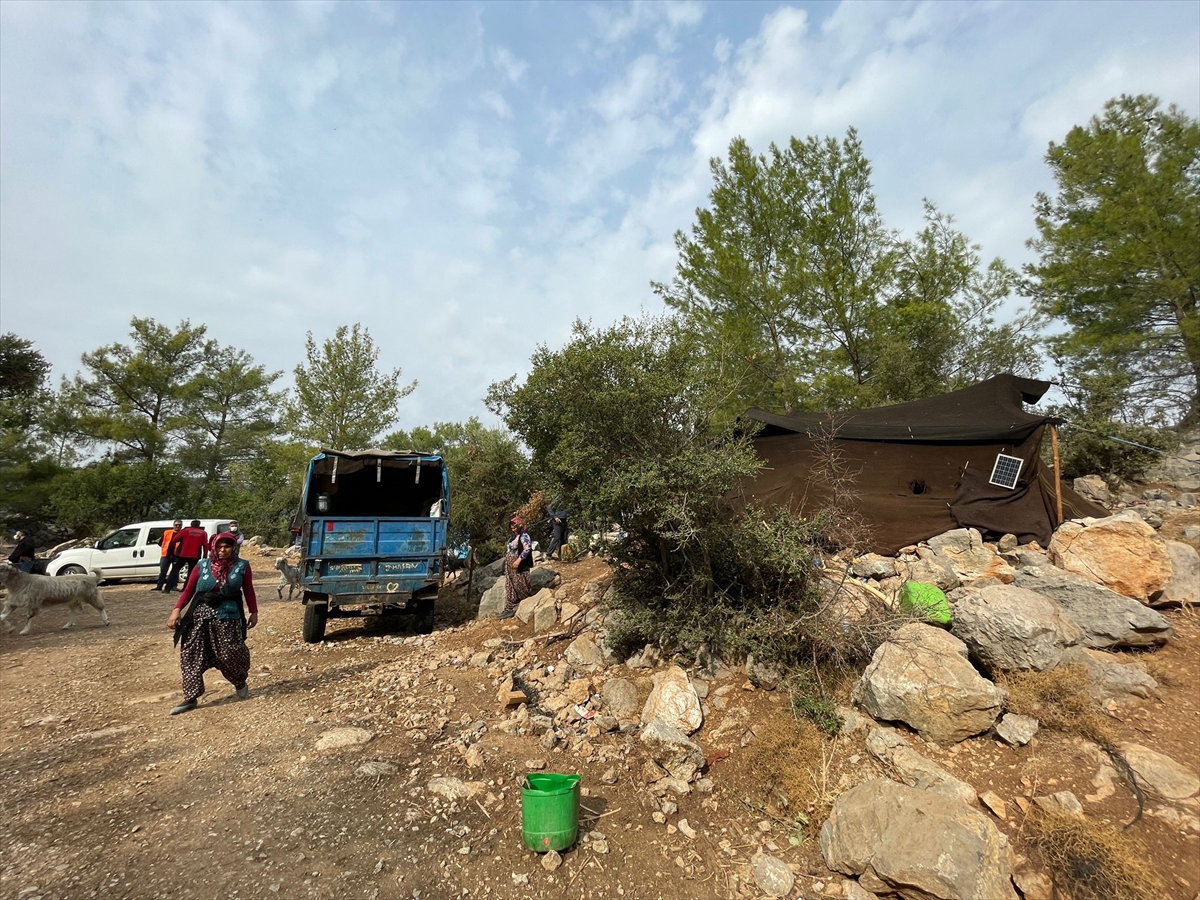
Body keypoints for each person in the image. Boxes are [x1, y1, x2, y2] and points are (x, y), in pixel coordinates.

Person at [165, 533, 258, 715]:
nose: (222, 550)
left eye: (227, 547)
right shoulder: (202, 566)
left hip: (228, 615)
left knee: (229, 653)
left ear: (233, 548)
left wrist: (254, 612)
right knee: (190, 654)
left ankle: (239, 680)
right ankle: (191, 697)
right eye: (219, 547)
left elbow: (248, 589)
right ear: (213, 548)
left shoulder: (242, 566)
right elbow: (189, 590)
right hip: (200, 616)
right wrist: (176, 610)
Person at [498, 516, 533, 621]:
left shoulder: (524, 535)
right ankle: (509, 607)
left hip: (519, 566)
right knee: (510, 584)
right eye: (511, 525)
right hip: (510, 566)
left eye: (514, 525)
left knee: (520, 584)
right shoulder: (513, 537)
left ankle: (525, 602)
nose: (512, 527)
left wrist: (518, 560)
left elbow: (527, 548)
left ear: (519, 525)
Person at [166, 520, 209, 592]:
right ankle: (186, 589)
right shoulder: (203, 533)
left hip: (182, 555)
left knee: (174, 571)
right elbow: (205, 545)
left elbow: (175, 539)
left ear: (191, 524)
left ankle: (168, 588)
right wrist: (204, 555)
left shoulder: (185, 530)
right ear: (199, 525)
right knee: (191, 573)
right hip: (195, 556)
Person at [152, 519, 183, 592]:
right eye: (176, 525)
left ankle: (174, 586)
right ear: (173, 525)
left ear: (181, 526)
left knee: (175, 572)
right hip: (166, 555)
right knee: (163, 571)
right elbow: (161, 543)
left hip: (177, 555)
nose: (177, 526)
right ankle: (159, 586)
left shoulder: (182, 534)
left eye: (179, 525)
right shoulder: (167, 532)